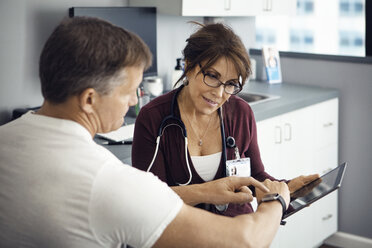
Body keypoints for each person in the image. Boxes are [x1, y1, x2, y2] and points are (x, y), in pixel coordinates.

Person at [0, 16, 291, 248]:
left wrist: (285, 186)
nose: (134, 100)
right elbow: (247, 240)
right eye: (129, 91)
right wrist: (277, 202)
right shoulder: (110, 181)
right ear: (89, 99)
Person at [132, 22, 318, 216]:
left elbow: (254, 176)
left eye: (230, 84)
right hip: (182, 232)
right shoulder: (153, 118)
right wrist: (206, 193)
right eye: (212, 76)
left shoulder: (240, 113)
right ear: (188, 66)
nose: (219, 93)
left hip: (235, 229)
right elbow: (149, 199)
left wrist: (287, 189)